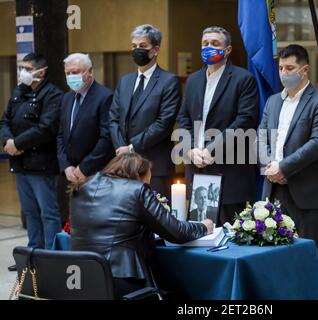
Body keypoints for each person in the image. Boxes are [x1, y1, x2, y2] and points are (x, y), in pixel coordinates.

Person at [70, 153, 214, 298]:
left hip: (79, 277)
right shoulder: (137, 189)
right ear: (137, 177)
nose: (148, 185)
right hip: (120, 278)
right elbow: (177, 231)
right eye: (148, 181)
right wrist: (203, 226)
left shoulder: (83, 186)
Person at [258, 45, 318, 281]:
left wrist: (283, 167)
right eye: (281, 68)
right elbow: (261, 136)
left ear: (304, 70)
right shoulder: (273, 101)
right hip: (273, 189)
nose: (284, 73)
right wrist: (271, 166)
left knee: (310, 255)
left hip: (305, 192)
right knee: (274, 254)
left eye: (290, 68)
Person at [177, 26, 259, 226]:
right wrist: (190, 150)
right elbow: (183, 117)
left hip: (230, 172)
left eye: (215, 44)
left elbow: (245, 120)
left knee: (230, 236)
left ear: (228, 50)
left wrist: (211, 149)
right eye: (205, 44)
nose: (208, 47)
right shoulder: (194, 80)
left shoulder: (243, 79)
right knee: (201, 233)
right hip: (197, 169)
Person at [0, 53, 63, 254]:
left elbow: (46, 128)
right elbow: (5, 120)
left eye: (27, 68)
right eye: (21, 68)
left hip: (42, 164)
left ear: (41, 71)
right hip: (20, 163)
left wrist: (17, 143)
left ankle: (51, 254)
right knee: (30, 212)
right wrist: (8, 142)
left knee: (48, 213)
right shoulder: (19, 91)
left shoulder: (53, 94)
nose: (22, 72)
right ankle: (33, 253)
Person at [109, 24, 181, 198]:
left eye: (142, 46)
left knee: (157, 216)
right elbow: (113, 118)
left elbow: (163, 123)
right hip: (124, 164)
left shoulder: (169, 81)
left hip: (155, 166)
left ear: (155, 50)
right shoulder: (125, 81)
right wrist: (121, 148)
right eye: (134, 46)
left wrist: (132, 147)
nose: (137, 50)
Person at [56, 53, 114, 226]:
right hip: (71, 175)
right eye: (68, 73)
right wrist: (66, 166)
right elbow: (60, 135)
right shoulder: (66, 98)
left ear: (89, 72)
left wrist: (84, 168)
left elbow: (106, 139)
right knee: (74, 223)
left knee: (95, 222)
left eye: (76, 72)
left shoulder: (105, 97)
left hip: (96, 174)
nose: (71, 76)